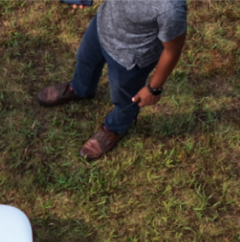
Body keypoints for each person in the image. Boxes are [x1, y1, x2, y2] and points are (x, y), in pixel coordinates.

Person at [37, 0, 187, 161]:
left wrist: (154, 88)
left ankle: (115, 128)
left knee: (125, 98)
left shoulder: (170, 9)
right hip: (100, 28)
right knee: (85, 60)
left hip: (130, 58)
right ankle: (80, 89)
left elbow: (173, 51)